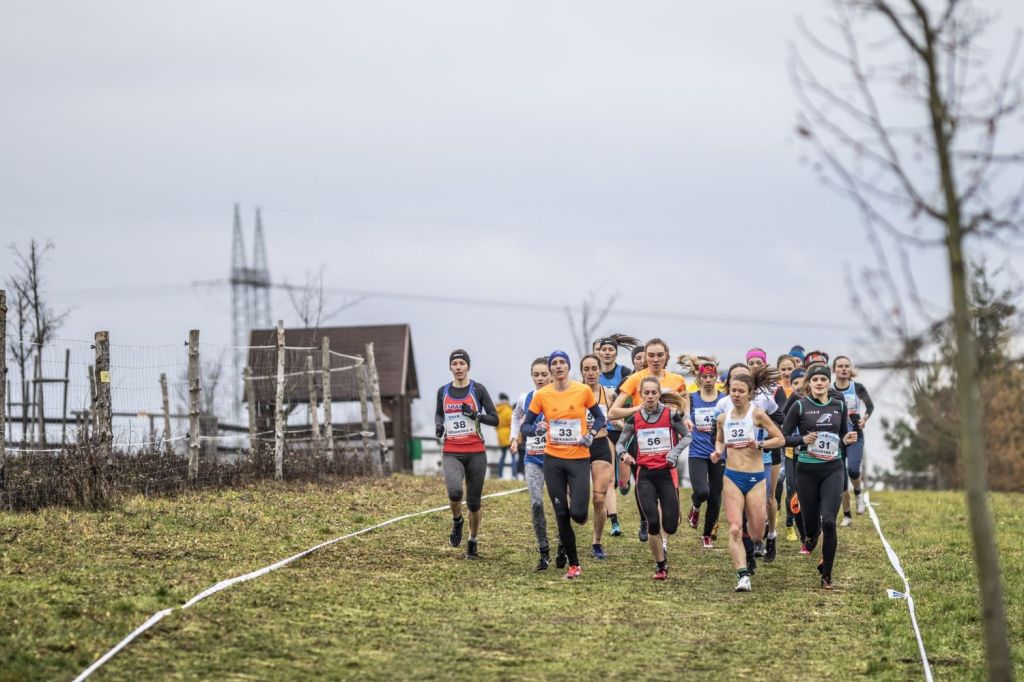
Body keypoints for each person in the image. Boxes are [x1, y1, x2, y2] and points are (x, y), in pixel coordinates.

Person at [521, 351, 607, 580]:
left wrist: (591, 434)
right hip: (553, 460)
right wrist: (535, 429)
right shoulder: (542, 395)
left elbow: (600, 418)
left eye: (562, 363)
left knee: (578, 514)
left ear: (568, 367)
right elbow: (525, 426)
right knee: (561, 513)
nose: (558, 366)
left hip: (578, 459)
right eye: (554, 363)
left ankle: (578, 516)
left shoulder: (583, 391)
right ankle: (574, 564)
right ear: (551, 369)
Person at [782, 364, 859, 590]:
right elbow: (783, 436)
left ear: (828, 382)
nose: (819, 383)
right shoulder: (799, 405)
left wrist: (847, 438)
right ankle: (810, 537)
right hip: (806, 470)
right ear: (809, 383)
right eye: (815, 379)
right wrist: (801, 440)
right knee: (812, 526)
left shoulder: (838, 405)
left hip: (832, 469)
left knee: (829, 522)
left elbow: (842, 433)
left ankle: (827, 575)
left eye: (823, 379)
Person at [609, 338, 691, 545]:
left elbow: (684, 402)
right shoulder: (635, 379)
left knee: (668, 487)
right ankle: (646, 520)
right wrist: (638, 408)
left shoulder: (677, 379)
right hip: (641, 438)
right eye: (651, 355)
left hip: (668, 440)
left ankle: (664, 535)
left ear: (666, 356)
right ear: (645, 357)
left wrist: (687, 417)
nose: (655, 359)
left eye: (660, 355)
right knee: (645, 485)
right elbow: (613, 412)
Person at [713, 369, 785, 592]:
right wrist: (718, 452)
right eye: (733, 390)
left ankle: (757, 537)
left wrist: (761, 444)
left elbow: (780, 439)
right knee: (735, 528)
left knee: (756, 533)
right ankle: (742, 575)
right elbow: (719, 440)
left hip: (756, 478)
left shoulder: (758, 415)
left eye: (741, 391)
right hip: (732, 476)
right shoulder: (723, 418)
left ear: (750, 393)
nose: (736, 395)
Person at [617, 377, 692, 579]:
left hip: (666, 474)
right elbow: (620, 443)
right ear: (641, 395)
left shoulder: (671, 415)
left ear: (659, 394)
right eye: (646, 393)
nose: (650, 396)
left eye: (654, 392)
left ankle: (673, 516)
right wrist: (624, 455)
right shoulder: (634, 418)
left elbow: (687, 436)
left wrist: (674, 453)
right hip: (645, 475)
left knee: (671, 526)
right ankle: (661, 565)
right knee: (652, 522)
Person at [434, 349, 499, 559]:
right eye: (455, 364)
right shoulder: (443, 391)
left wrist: (476, 415)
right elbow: (439, 413)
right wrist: (438, 426)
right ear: (450, 367)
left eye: (462, 363)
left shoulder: (478, 389)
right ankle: (457, 521)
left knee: (473, 502)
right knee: (454, 493)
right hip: (452, 451)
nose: (458, 367)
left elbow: (495, 419)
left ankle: (472, 542)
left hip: (476, 452)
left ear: (468, 366)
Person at [509, 357, 554, 570]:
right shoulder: (525, 398)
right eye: (536, 375)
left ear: (552, 375)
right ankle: (543, 551)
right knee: (536, 503)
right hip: (533, 458)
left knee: (561, 505)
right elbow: (516, 416)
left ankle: (563, 546)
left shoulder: (560, 396)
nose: (540, 378)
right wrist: (513, 438)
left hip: (556, 458)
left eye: (544, 374)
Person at [685, 358, 727, 549]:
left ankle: (707, 535)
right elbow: (684, 416)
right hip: (697, 452)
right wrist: (685, 420)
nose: (708, 380)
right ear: (699, 378)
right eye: (705, 376)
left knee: (715, 497)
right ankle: (695, 507)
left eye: (711, 376)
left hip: (719, 453)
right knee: (702, 491)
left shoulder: (724, 399)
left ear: (716, 378)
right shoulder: (691, 398)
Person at [580, 354, 617, 558]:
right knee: (576, 498)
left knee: (598, 498)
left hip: (601, 445)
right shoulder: (575, 393)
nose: (591, 373)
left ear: (600, 370)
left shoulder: (608, 394)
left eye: (594, 368)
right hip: (579, 447)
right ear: (581, 372)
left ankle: (597, 542)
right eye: (586, 369)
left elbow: (618, 415)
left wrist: (619, 423)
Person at [833, 356, 875, 524]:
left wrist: (864, 419)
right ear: (834, 369)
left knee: (852, 470)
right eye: (840, 366)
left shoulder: (857, 387)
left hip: (855, 435)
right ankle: (847, 515)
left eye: (846, 366)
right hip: (836, 437)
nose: (843, 369)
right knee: (841, 477)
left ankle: (858, 493)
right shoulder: (829, 389)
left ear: (850, 369)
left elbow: (870, 406)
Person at [781, 368, 808, 547]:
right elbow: (781, 422)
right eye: (795, 383)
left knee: (809, 494)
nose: (799, 386)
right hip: (792, 453)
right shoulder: (792, 400)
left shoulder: (816, 400)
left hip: (812, 454)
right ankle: (797, 529)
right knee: (793, 493)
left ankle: (811, 529)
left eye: (802, 382)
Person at [494, 393, 515, 479]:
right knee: (513, 456)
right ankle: (514, 475)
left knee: (502, 456)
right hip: (509, 434)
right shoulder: (508, 410)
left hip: (500, 434)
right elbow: (512, 423)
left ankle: (500, 476)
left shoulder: (497, 410)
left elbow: (495, 423)